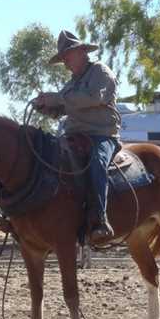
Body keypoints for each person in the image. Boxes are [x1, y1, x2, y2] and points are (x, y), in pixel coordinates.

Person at [32, 30, 121, 246]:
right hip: (73, 136)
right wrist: (45, 106)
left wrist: (57, 98)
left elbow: (93, 98)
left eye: (67, 56)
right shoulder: (72, 82)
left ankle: (100, 220)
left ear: (81, 52)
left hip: (102, 135)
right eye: (62, 58)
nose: (65, 62)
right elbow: (62, 107)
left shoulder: (100, 72)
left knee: (97, 163)